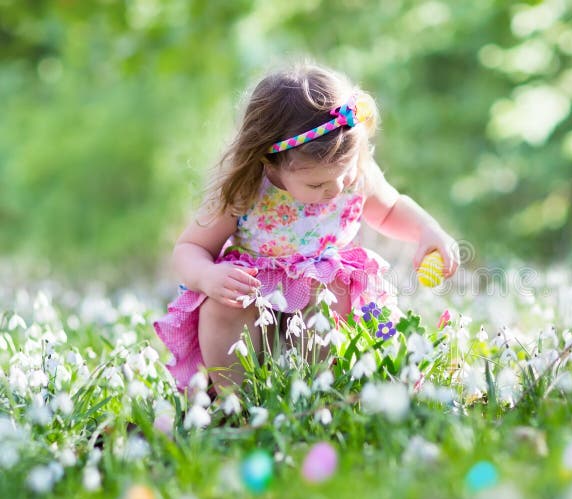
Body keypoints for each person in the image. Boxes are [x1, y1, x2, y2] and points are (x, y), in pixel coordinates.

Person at [154, 62, 460, 394]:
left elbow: (389, 210)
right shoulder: (245, 188)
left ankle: (314, 389)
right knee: (222, 306)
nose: (337, 188)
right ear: (269, 161)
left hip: (318, 290)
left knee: (333, 290)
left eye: (344, 174)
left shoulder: (350, 172)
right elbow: (190, 248)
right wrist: (207, 277)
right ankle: (235, 401)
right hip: (255, 292)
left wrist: (428, 230)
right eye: (317, 184)